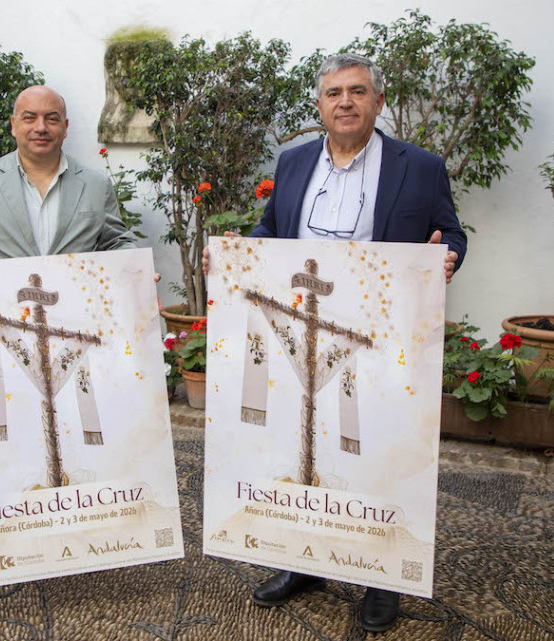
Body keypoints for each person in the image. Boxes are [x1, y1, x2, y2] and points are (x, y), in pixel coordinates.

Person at [204, 53, 466, 632]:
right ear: (319, 104)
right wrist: (236, 258)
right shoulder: (294, 161)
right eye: (333, 93)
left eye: (357, 91)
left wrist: (447, 254)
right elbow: (270, 231)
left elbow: (452, 229)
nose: (344, 102)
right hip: (299, 324)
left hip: (379, 332)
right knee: (302, 444)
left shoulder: (419, 167)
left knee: (376, 446)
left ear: (378, 100)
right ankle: (304, 563)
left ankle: (380, 575)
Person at [0, 85, 138, 322]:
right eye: (30, 118)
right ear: (14, 125)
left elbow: (116, 242)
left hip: (79, 323)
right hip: (4, 323)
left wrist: (139, 273)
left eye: (52, 119)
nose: (41, 127)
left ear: (65, 128)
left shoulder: (96, 184)